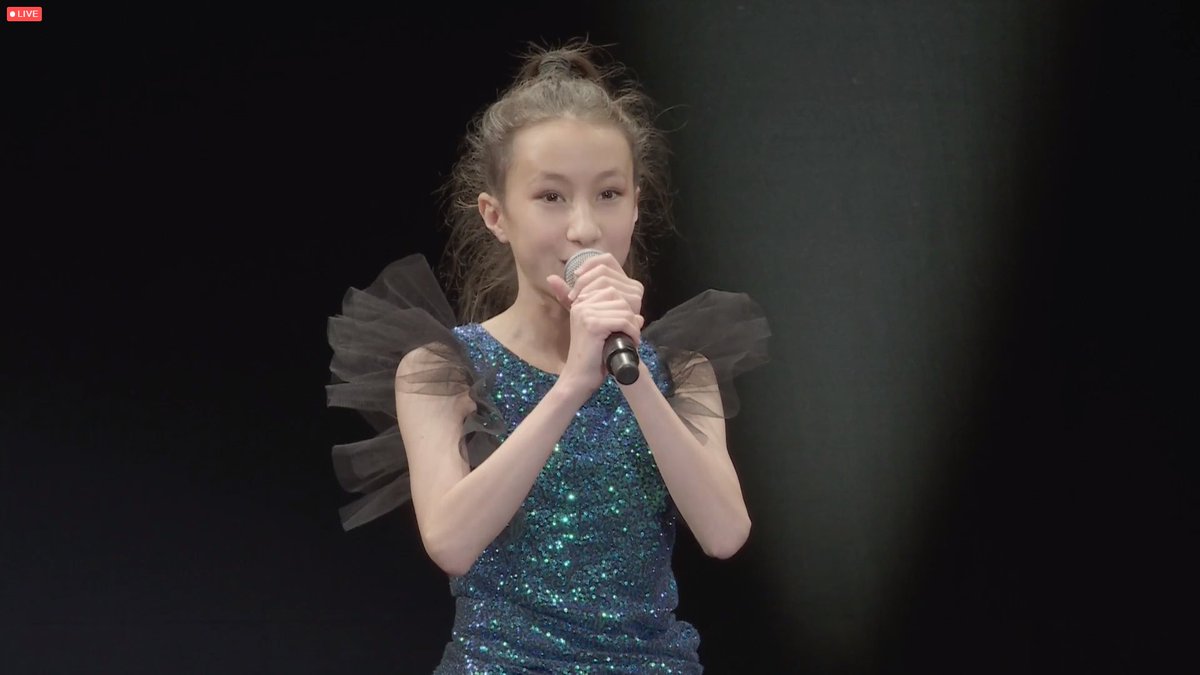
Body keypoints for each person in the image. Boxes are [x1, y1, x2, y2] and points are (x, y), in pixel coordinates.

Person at [325, 39, 771, 673]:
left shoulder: (680, 372)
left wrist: (632, 377)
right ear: (496, 215)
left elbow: (724, 534)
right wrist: (570, 386)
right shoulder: (444, 368)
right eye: (552, 197)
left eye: (609, 194)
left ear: (636, 205)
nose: (584, 228)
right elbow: (451, 541)